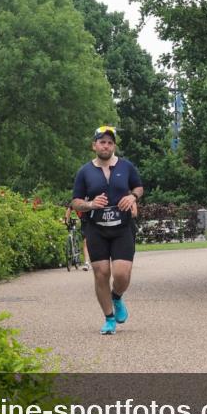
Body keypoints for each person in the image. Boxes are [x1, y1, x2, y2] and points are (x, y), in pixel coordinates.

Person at [71, 126, 144, 335]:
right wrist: (91, 204)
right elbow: (75, 202)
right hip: (96, 230)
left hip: (122, 228)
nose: (106, 145)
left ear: (114, 146)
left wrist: (133, 197)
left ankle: (117, 296)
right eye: (102, 142)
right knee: (101, 273)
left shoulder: (126, 166)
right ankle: (109, 318)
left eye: (110, 142)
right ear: (94, 145)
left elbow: (138, 187)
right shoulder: (84, 172)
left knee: (122, 273)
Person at [63, 202, 90, 270]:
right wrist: (66, 220)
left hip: (91, 222)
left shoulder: (87, 198)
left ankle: (89, 261)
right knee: (85, 242)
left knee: (89, 242)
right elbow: (69, 209)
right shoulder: (75, 201)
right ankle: (86, 262)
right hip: (84, 222)